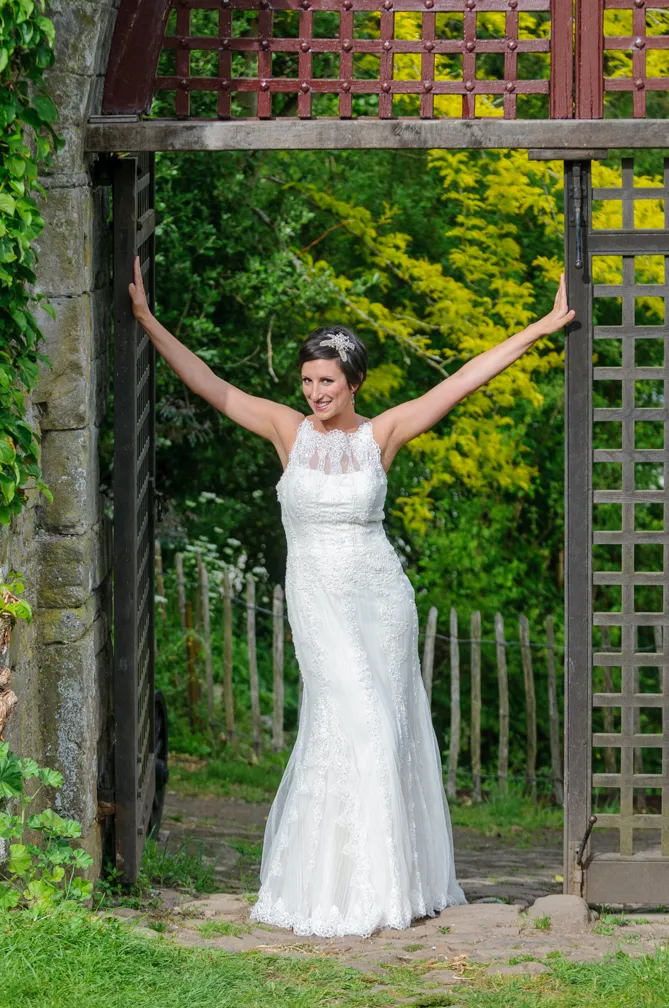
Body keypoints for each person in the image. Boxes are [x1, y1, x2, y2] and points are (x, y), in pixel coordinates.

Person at [129, 258, 574, 938]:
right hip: (316, 600)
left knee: (383, 731)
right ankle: (335, 884)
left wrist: (541, 326)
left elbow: (460, 379)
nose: (314, 392)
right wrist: (147, 321)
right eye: (307, 380)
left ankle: (385, 884)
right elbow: (211, 384)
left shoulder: (380, 435)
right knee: (354, 722)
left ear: (353, 381)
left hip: (379, 598)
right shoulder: (287, 432)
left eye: (326, 381)